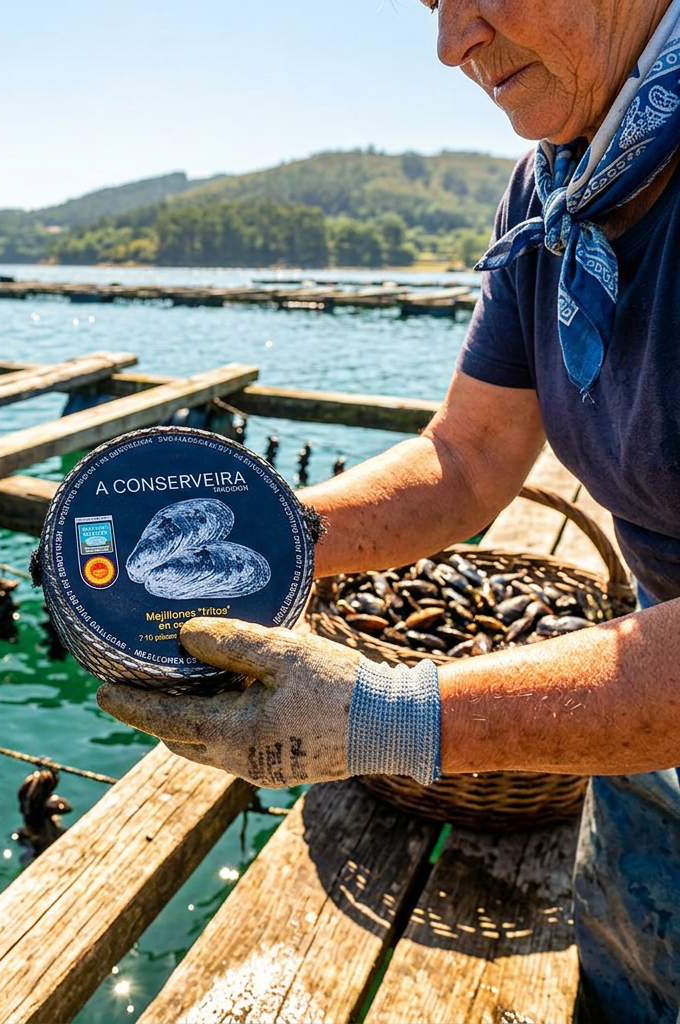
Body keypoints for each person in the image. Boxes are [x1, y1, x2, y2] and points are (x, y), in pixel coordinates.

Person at [96, 1, 680, 1020]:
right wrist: (259, 531)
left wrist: (386, 715)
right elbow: (465, 458)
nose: (451, 42)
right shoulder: (558, 187)